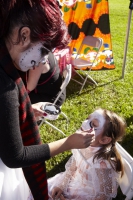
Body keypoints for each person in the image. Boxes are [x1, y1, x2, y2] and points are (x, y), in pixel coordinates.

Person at [0, 0, 95, 200]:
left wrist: (20, 112)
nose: (44, 60)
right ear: (24, 35)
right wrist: (68, 143)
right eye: (43, 50)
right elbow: (15, 156)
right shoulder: (5, 85)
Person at [48, 108, 126, 200]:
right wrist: (62, 185)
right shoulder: (82, 145)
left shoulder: (102, 165)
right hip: (72, 183)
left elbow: (103, 197)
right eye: (87, 118)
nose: (84, 123)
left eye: (93, 124)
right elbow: (74, 166)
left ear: (104, 140)